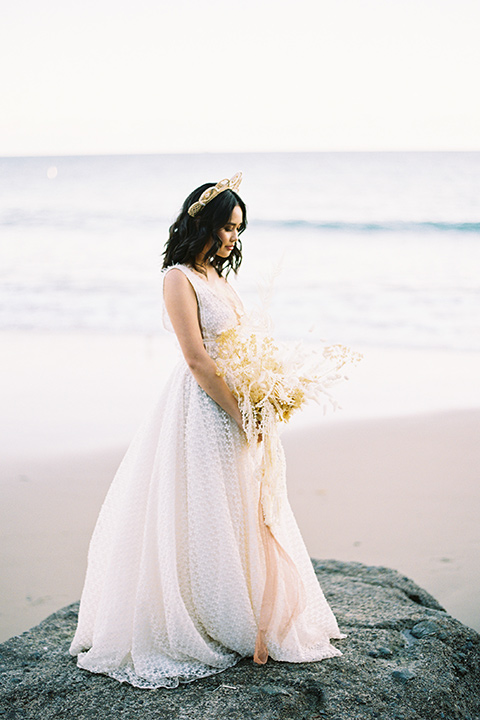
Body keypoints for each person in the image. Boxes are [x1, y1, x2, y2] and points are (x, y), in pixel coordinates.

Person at [69, 173, 344, 689]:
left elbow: (241, 346)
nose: (233, 239)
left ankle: (240, 608)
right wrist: (241, 413)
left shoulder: (220, 277)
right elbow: (197, 358)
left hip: (235, 398)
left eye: (239, 230)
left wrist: (265, 390)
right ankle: (202, 618)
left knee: (239, 507)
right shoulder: (178, 277)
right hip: (203, 407)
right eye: (226, 228)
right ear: (204, 225)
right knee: (204, 507)